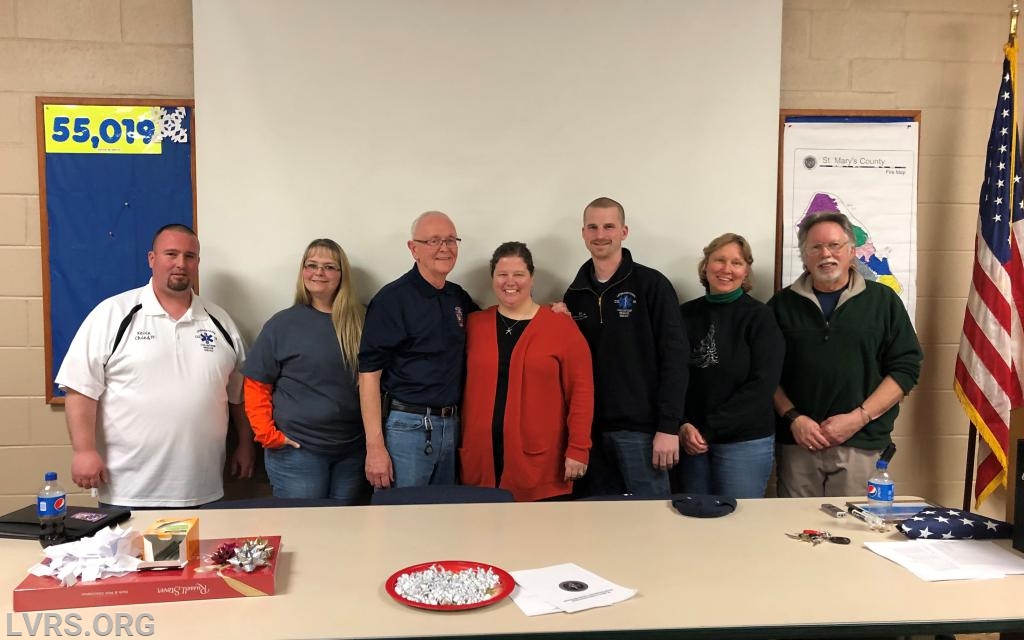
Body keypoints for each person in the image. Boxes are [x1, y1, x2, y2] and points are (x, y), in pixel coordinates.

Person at [56, 224, 254, 508]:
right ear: (152, 259)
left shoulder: (220, 321)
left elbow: (238, 396)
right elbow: (80, 388)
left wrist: (245, 444)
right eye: (170, 254)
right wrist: (83, 451)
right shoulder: (112, 314)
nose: (180, 264)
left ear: (197, 262)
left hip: (203, 486)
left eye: (189, 256)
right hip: (128, 489)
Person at [770, 211, 922, 497]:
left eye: (835, 245)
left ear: (852, 251)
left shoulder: (883, 302)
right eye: (815, 247)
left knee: (854, 530)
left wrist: (858, 418)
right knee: (794, 533)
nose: (826, 254)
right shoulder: (780, 305)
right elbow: (765, 373)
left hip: (861, 444)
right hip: (799, 444)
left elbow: (906, 369)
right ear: (805, 255)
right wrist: (794, 418)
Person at [563, 197, 688, 497]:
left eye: (609, 226)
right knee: (599, 528)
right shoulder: (575, 294)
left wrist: (668, 427)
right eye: (592, 227)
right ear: (583, 233)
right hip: (590, 434)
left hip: (642, 433)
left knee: (652, 524)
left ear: (624, 231)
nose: (600, 234)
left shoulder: (652, 285)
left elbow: (675, 358)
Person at [460, 242, 593, 501]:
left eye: (519, 274)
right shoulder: (474, 325)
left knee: (537, 539)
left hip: (541, 464)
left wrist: (578, 448)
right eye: (502, 274)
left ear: (532, 278)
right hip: (480, 461)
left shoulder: (561, 327)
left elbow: (582, 392)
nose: (510, 282)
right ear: (492, 279)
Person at [358, 211, 479, 490]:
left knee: (442, 522)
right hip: (407, 429)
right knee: (401, 523)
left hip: (451, 426)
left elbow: (493, 325)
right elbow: (368, 376)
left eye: (451, 240)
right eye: (434, 241)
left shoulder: (457, 297)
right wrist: (375, 447)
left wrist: (547, 312)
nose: (444, 248)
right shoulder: (392, 300)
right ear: (414, 249)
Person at [242, 239, 369, 503]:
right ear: (302, 272)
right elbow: (256, 384)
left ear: (342, 274)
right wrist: (268, 434)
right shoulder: (282, 324)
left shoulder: (364, 321)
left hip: (353, 451)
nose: (319, 273)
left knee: (347, 534)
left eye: (329, 267)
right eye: (311, 265)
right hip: (298, 452)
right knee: (305, 533)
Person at [677, 233, 784, 499]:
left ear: (746, 271)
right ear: (705, 266)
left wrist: (708, 429)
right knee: (691, 526)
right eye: (719, 260)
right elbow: (670, 375)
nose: (727, 269)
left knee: (740, 527)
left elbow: (762, 385)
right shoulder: (683, 315)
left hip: (744, 443)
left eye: (736, 263)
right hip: (689, 441)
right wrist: (683, 424)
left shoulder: (760, 317)